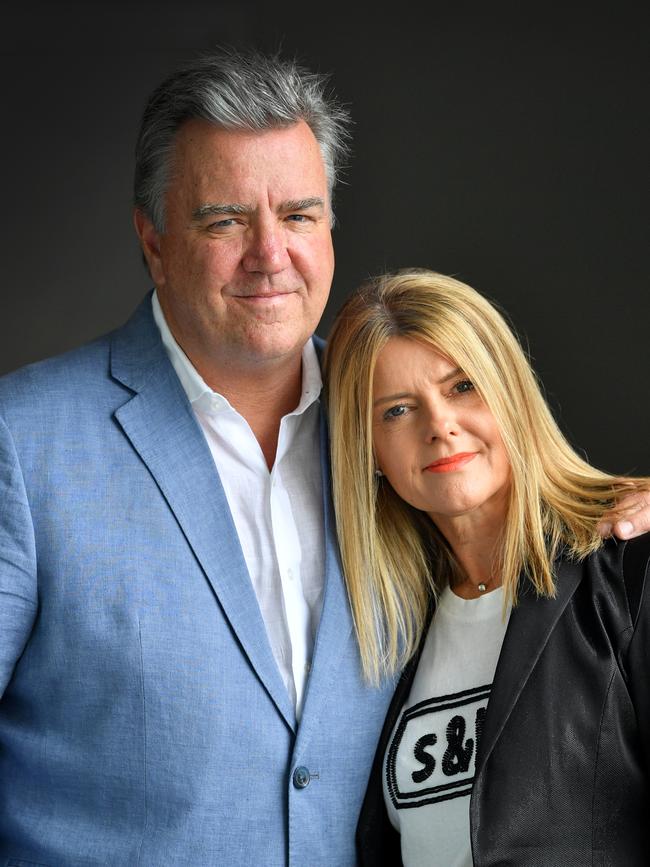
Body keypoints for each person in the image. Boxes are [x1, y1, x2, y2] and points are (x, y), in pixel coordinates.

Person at [0, 48, 647, 866]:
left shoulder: (386, 431)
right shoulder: (23, 446)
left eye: (299, 214)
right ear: (153, 240)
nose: (270, 254)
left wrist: (614, 509)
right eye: (225, 219)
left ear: (330, 227)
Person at [324, 267, 650, 865]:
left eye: (462, 386)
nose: (439, 426)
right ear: (367, 450)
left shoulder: (628, 573)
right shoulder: (386, 633)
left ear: (511, 392)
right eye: (397, 411)